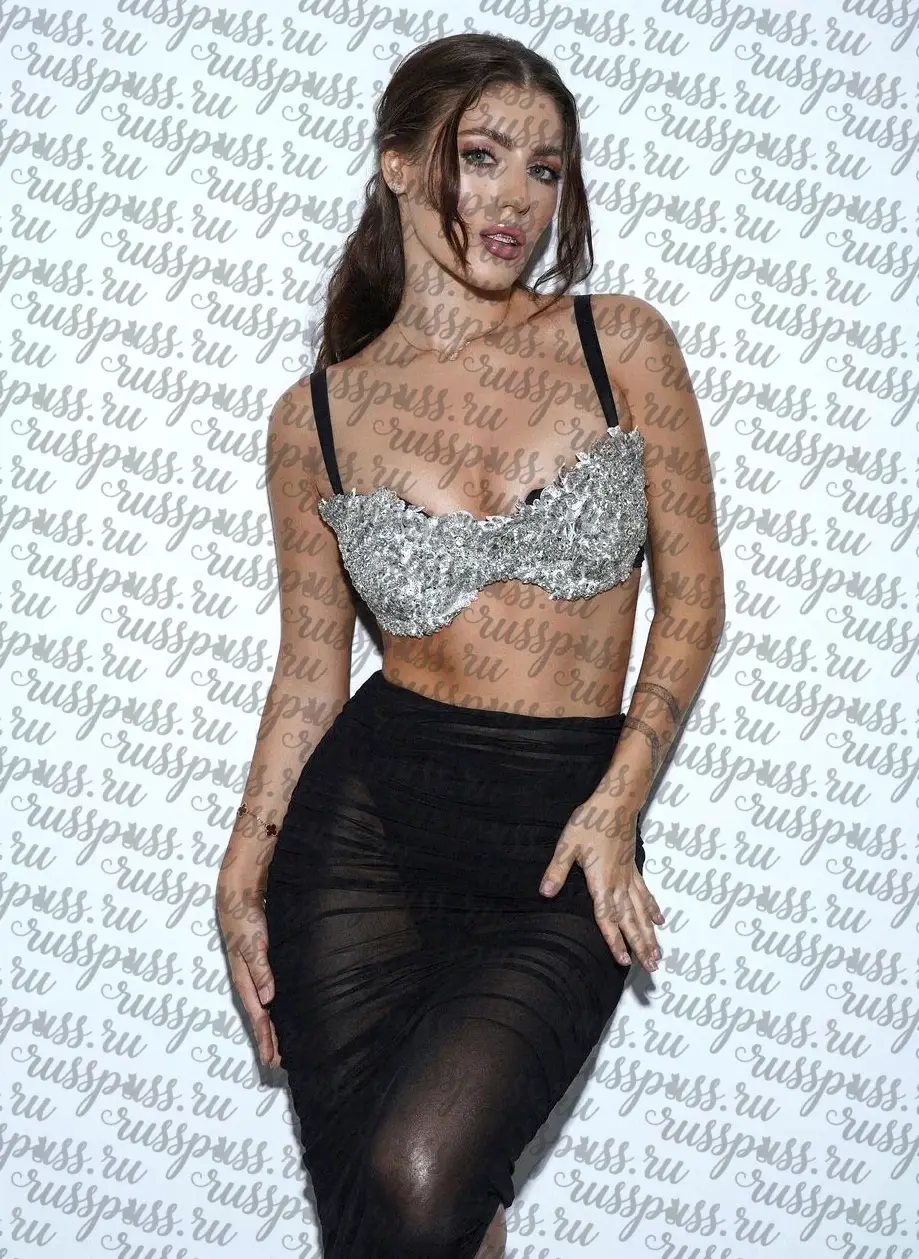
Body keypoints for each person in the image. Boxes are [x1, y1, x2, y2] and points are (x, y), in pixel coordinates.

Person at [216, 31, 725, 1259]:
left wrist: (617, 803)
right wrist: (244, 864)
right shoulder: (316, 416)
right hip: (363, 845)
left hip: (561, 836)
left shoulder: (621, 343)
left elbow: (694, 606)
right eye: (482, 156)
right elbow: (309, 672)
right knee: (402, 1227)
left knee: (418, 1180)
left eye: (545, 170)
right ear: (396, 163)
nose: (516, 199)